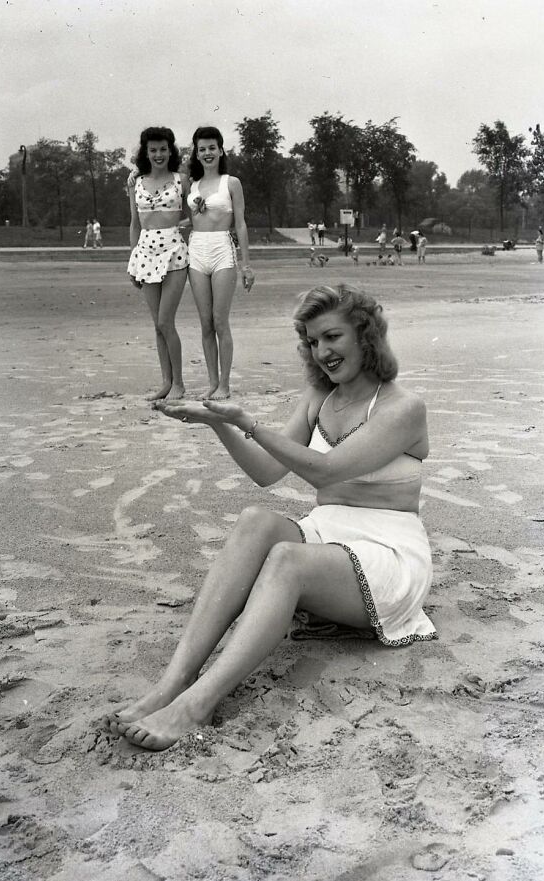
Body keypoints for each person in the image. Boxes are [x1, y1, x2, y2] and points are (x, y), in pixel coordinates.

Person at [102, 283, 436, 752]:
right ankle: (172, 683)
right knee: (257, 519)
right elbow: (266, 472)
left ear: (366, 336)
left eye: (332, 337)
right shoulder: (319, 398)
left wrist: (247, 421)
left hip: (389, 556)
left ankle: (197, 705)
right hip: (328, 539)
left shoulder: (403, 408)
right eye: (312, 340)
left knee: (286, 558)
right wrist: (216, 422)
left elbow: (324, 468)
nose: (322, 352)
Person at [186, 126, 255, 400]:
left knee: (219, 320)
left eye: (211, 147)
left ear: (221, 149)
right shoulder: (190, 184)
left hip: (223, 250)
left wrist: (246, 265)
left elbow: (241, 224)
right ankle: (212, 382)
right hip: (197, 250)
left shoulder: (232, 183)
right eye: (201, 149)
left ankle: (225, 384)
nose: (207, 153)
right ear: (197, 152)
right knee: (205, 323)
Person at [127, 126, 190, 401]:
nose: (158, 154)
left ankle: (179, 384)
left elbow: (193, 216)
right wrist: (133, 260)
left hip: (175, 254)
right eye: (153, 150)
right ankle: (166, 382)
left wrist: (180, 228)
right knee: (157, 325)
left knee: (166, 321)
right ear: (145, 152)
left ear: (170, 150)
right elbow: (134, 223)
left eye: (163, 149)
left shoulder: (182, 180)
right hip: (145, 255)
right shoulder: (135, 182)